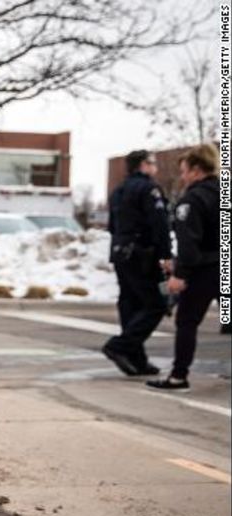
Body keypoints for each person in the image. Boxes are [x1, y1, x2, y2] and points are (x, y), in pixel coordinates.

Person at [147, 144, 221, 391]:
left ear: (197, 170)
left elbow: (190, 243)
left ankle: (178, 376)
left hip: (205, 269)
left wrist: (180, 275)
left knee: (187, 322)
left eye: (184, 171)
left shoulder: (192, 200)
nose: (183, 176)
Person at [103, 149, 172, 376]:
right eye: (152, 163)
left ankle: (137, 358)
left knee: (130, 304)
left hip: (120, 252)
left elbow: (112, 226)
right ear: (143, 164)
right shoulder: (148, 188)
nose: (155, 168)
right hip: (142, 253)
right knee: (156, 305)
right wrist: (166, 255)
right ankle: (120, 346)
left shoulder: (118, 191)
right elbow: (160, 224)